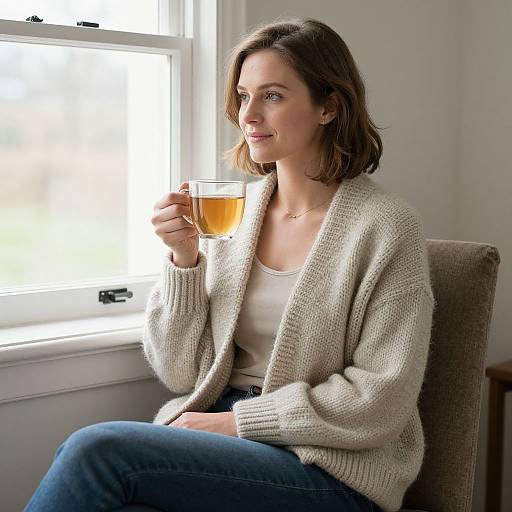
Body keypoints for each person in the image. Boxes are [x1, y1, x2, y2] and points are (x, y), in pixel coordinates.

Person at [24, 18, 435, 512]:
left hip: (327, 466)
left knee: (98, 451)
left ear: (329, 105)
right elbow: (182, 373)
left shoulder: (386, 228)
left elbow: (382, 398)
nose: (249, 115)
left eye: (273, 96)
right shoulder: (232, 215)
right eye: (243, 96)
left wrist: (240, 421)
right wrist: (184, 261)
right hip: (225, 436)